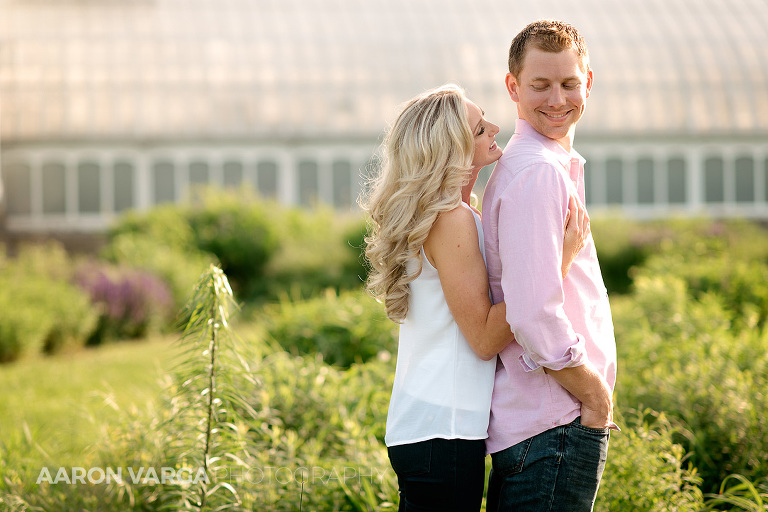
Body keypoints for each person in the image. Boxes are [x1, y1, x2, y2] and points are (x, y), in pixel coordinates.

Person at [362, 84, 590, 512]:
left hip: (431, 428)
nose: (497, 128)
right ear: (453, 148)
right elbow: (484, 339)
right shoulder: (452, 219)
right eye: (480, 127)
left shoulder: (448, 215)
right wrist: (556, 263)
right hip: (442, 432)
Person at [481, 19, 618, 512]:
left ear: (589, 82)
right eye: (540, 85)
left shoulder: (542, 165)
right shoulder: (538, 172)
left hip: (548, 427)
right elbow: (534, 312)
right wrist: (595, 396)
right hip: (555, 424)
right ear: (513, 87)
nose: (557, 98)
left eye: (569, 83)